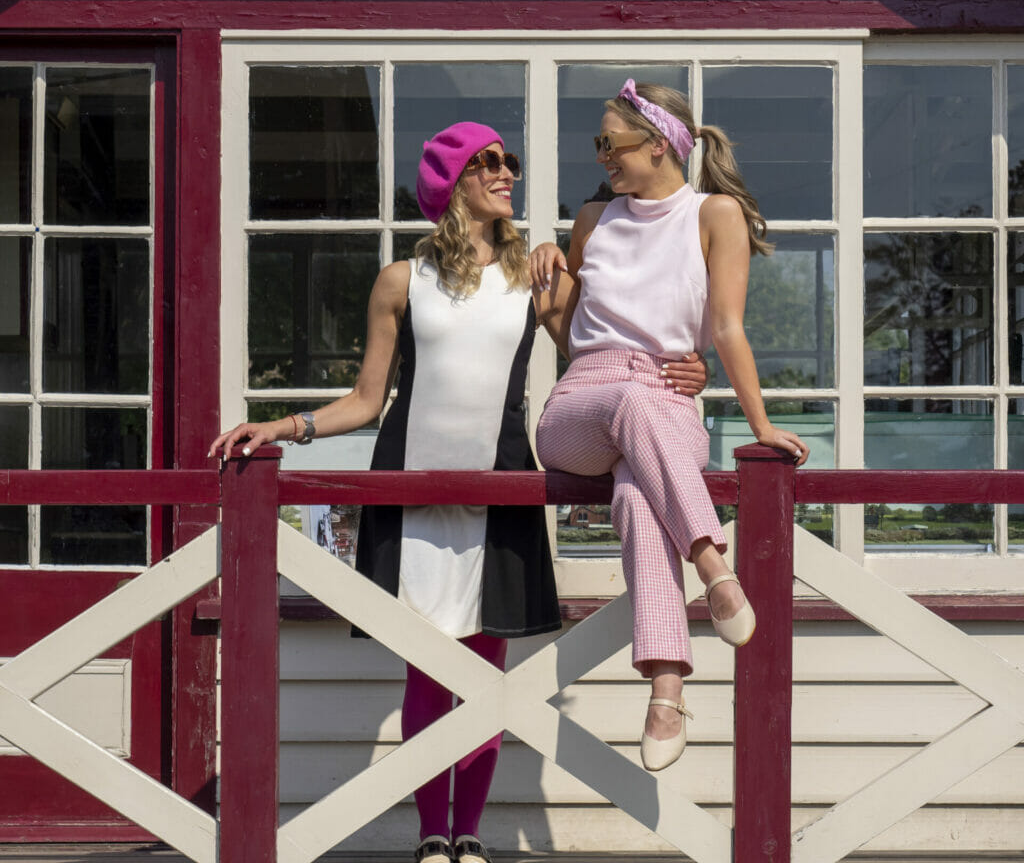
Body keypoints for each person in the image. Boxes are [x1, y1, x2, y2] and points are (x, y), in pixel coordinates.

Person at [209, 120, 710, 862]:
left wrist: (688, 367)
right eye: (490, 163)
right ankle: (431, 838)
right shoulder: (399, 281)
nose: (508, 172)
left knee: (483, 674)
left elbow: (605, 352)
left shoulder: (536, 274)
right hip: (408, 496)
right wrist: (281, 426)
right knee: (425, 667)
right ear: (453, 184)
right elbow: (365, 400)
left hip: (499, 492)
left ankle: (468, 834)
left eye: (509, 161)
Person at [529, 80, 809, 773]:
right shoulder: (594, 219)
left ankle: (666, 686)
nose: (601, 157)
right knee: (628, 401)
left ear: (658, 144)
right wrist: (546, 292)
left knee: (635, 498)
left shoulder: (715, 214)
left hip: (666, 402)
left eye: (610, 143)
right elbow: (573, 336)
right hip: (581, 406)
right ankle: (715, 566)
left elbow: (727, 328)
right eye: (598, 145)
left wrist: (761, 423)